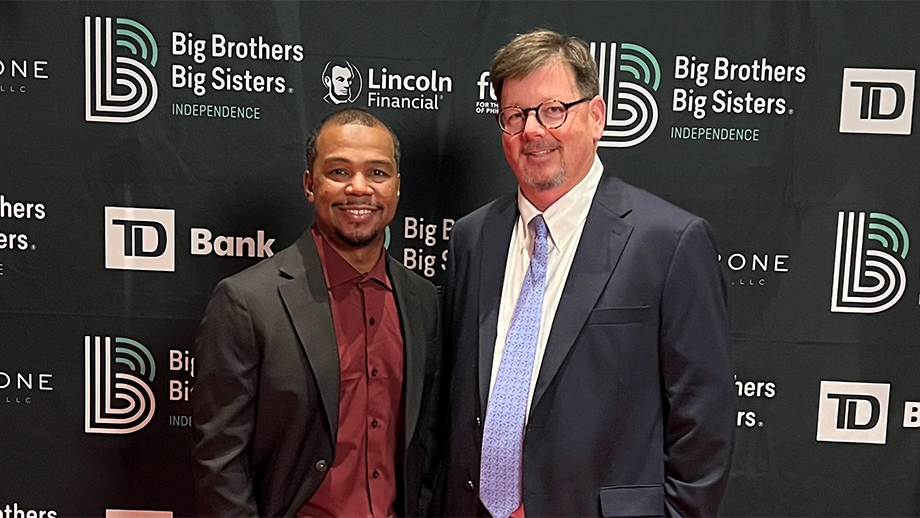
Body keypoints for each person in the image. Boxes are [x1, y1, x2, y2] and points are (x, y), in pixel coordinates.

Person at [441, 29, 735, 517]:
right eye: (515, 115)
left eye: (553, 110)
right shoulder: (473, 238)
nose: (533, 131)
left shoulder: (668, 243)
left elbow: (704, 423)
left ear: (596, 116)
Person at [193, 108, 442, 517]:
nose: (359, 188)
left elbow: (429, 446)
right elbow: (220, 460)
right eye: (339, 172)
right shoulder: (247, 302)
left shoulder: (423, 301)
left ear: (397, 187)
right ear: (311, 184)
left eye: (377, 173)